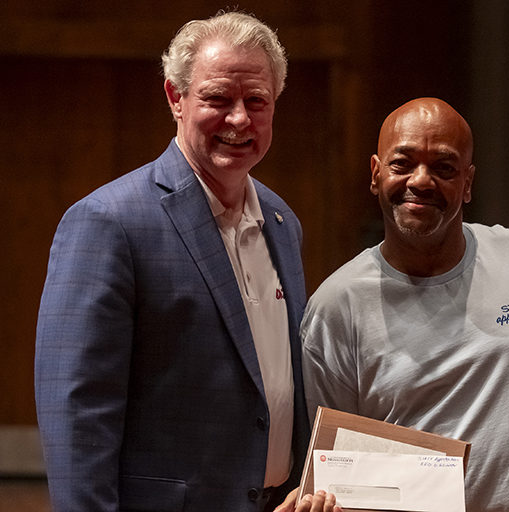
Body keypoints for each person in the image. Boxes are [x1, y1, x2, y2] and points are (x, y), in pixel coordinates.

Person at [35, 11, 309, 511]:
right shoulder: (107, 222)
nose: (240, 119)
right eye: (218, 99)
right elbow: (77, 416)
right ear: (175, 98)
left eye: (256, 101)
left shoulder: (282, 221)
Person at [282, 97, 509, 512]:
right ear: (376, 174)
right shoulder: (337, 308)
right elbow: (333, 471)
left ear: (467, 183)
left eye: (444, 168)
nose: (421, 181)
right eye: (402, 163)